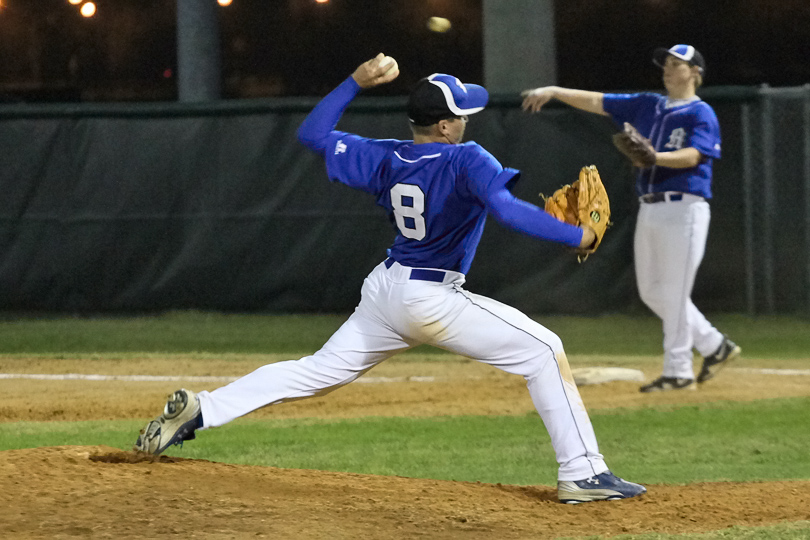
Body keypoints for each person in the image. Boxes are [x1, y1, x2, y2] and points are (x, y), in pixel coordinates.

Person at [135, 53, 646, 504]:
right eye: (462, 114)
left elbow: (312, 134)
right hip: (430, 296)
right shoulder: (467, 158)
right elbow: (508, 209)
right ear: (444, 126)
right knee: (543, 349)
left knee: (315, 372)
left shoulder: (385, 155)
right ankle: (583, 473)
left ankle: (201, 411)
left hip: (386, 290)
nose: (467, 122)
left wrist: (355, 80)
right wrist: (573, 236)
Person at [522, 44, 741, 393]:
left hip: (685, 207)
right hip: (651, 206)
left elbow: (694, 156)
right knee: (653, 291)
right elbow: (598, 101)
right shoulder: (648, 104)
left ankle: (679, 371)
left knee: (675, 290)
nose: (667, 70)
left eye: (676, 64)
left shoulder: (701, 114)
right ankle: (715, 345)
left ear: (695, 72)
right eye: (665, 64)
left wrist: (656, 157)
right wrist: (553, 91)